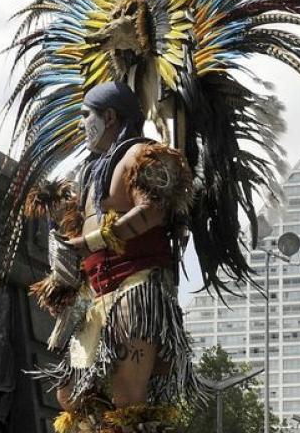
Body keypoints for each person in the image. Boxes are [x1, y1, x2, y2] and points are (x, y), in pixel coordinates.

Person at [37, 81, 200, 432]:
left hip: (136, 287)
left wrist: (94, 241)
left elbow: (153, 209)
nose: (81, 124)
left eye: (86, 115)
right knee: (71, 395)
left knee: (128, 396)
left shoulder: (144, 154)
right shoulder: (91, 171)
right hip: (95, 295)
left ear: (109, 116)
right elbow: (78, 239)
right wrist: (63, 276)